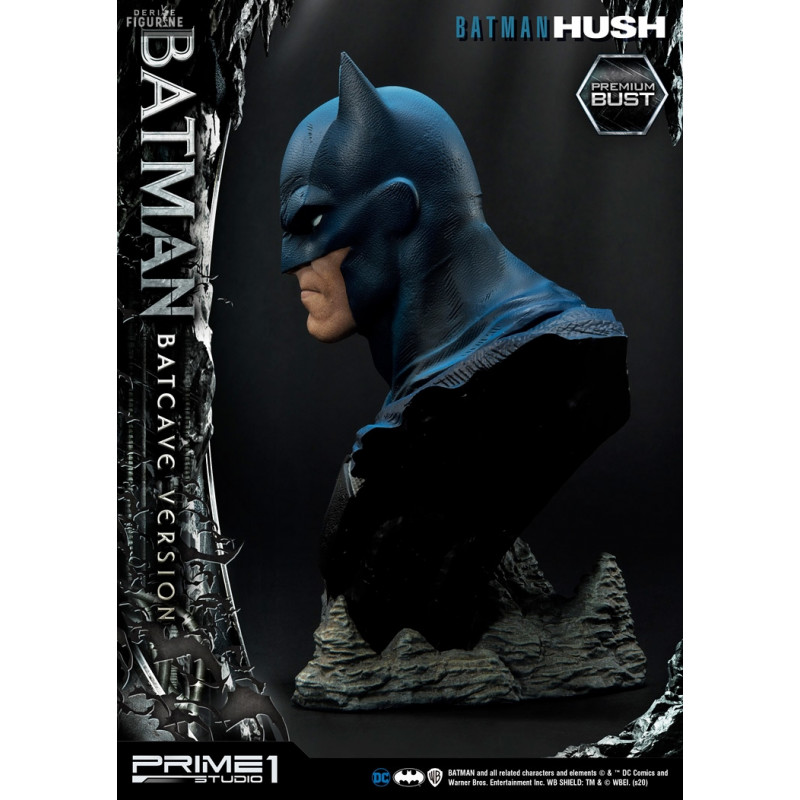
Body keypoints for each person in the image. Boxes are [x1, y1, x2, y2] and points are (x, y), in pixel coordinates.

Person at [280, 54, 629, 652]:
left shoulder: (554, 371)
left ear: (397, 209)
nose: (291, 263)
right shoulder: (452, 402)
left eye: (311, 222)